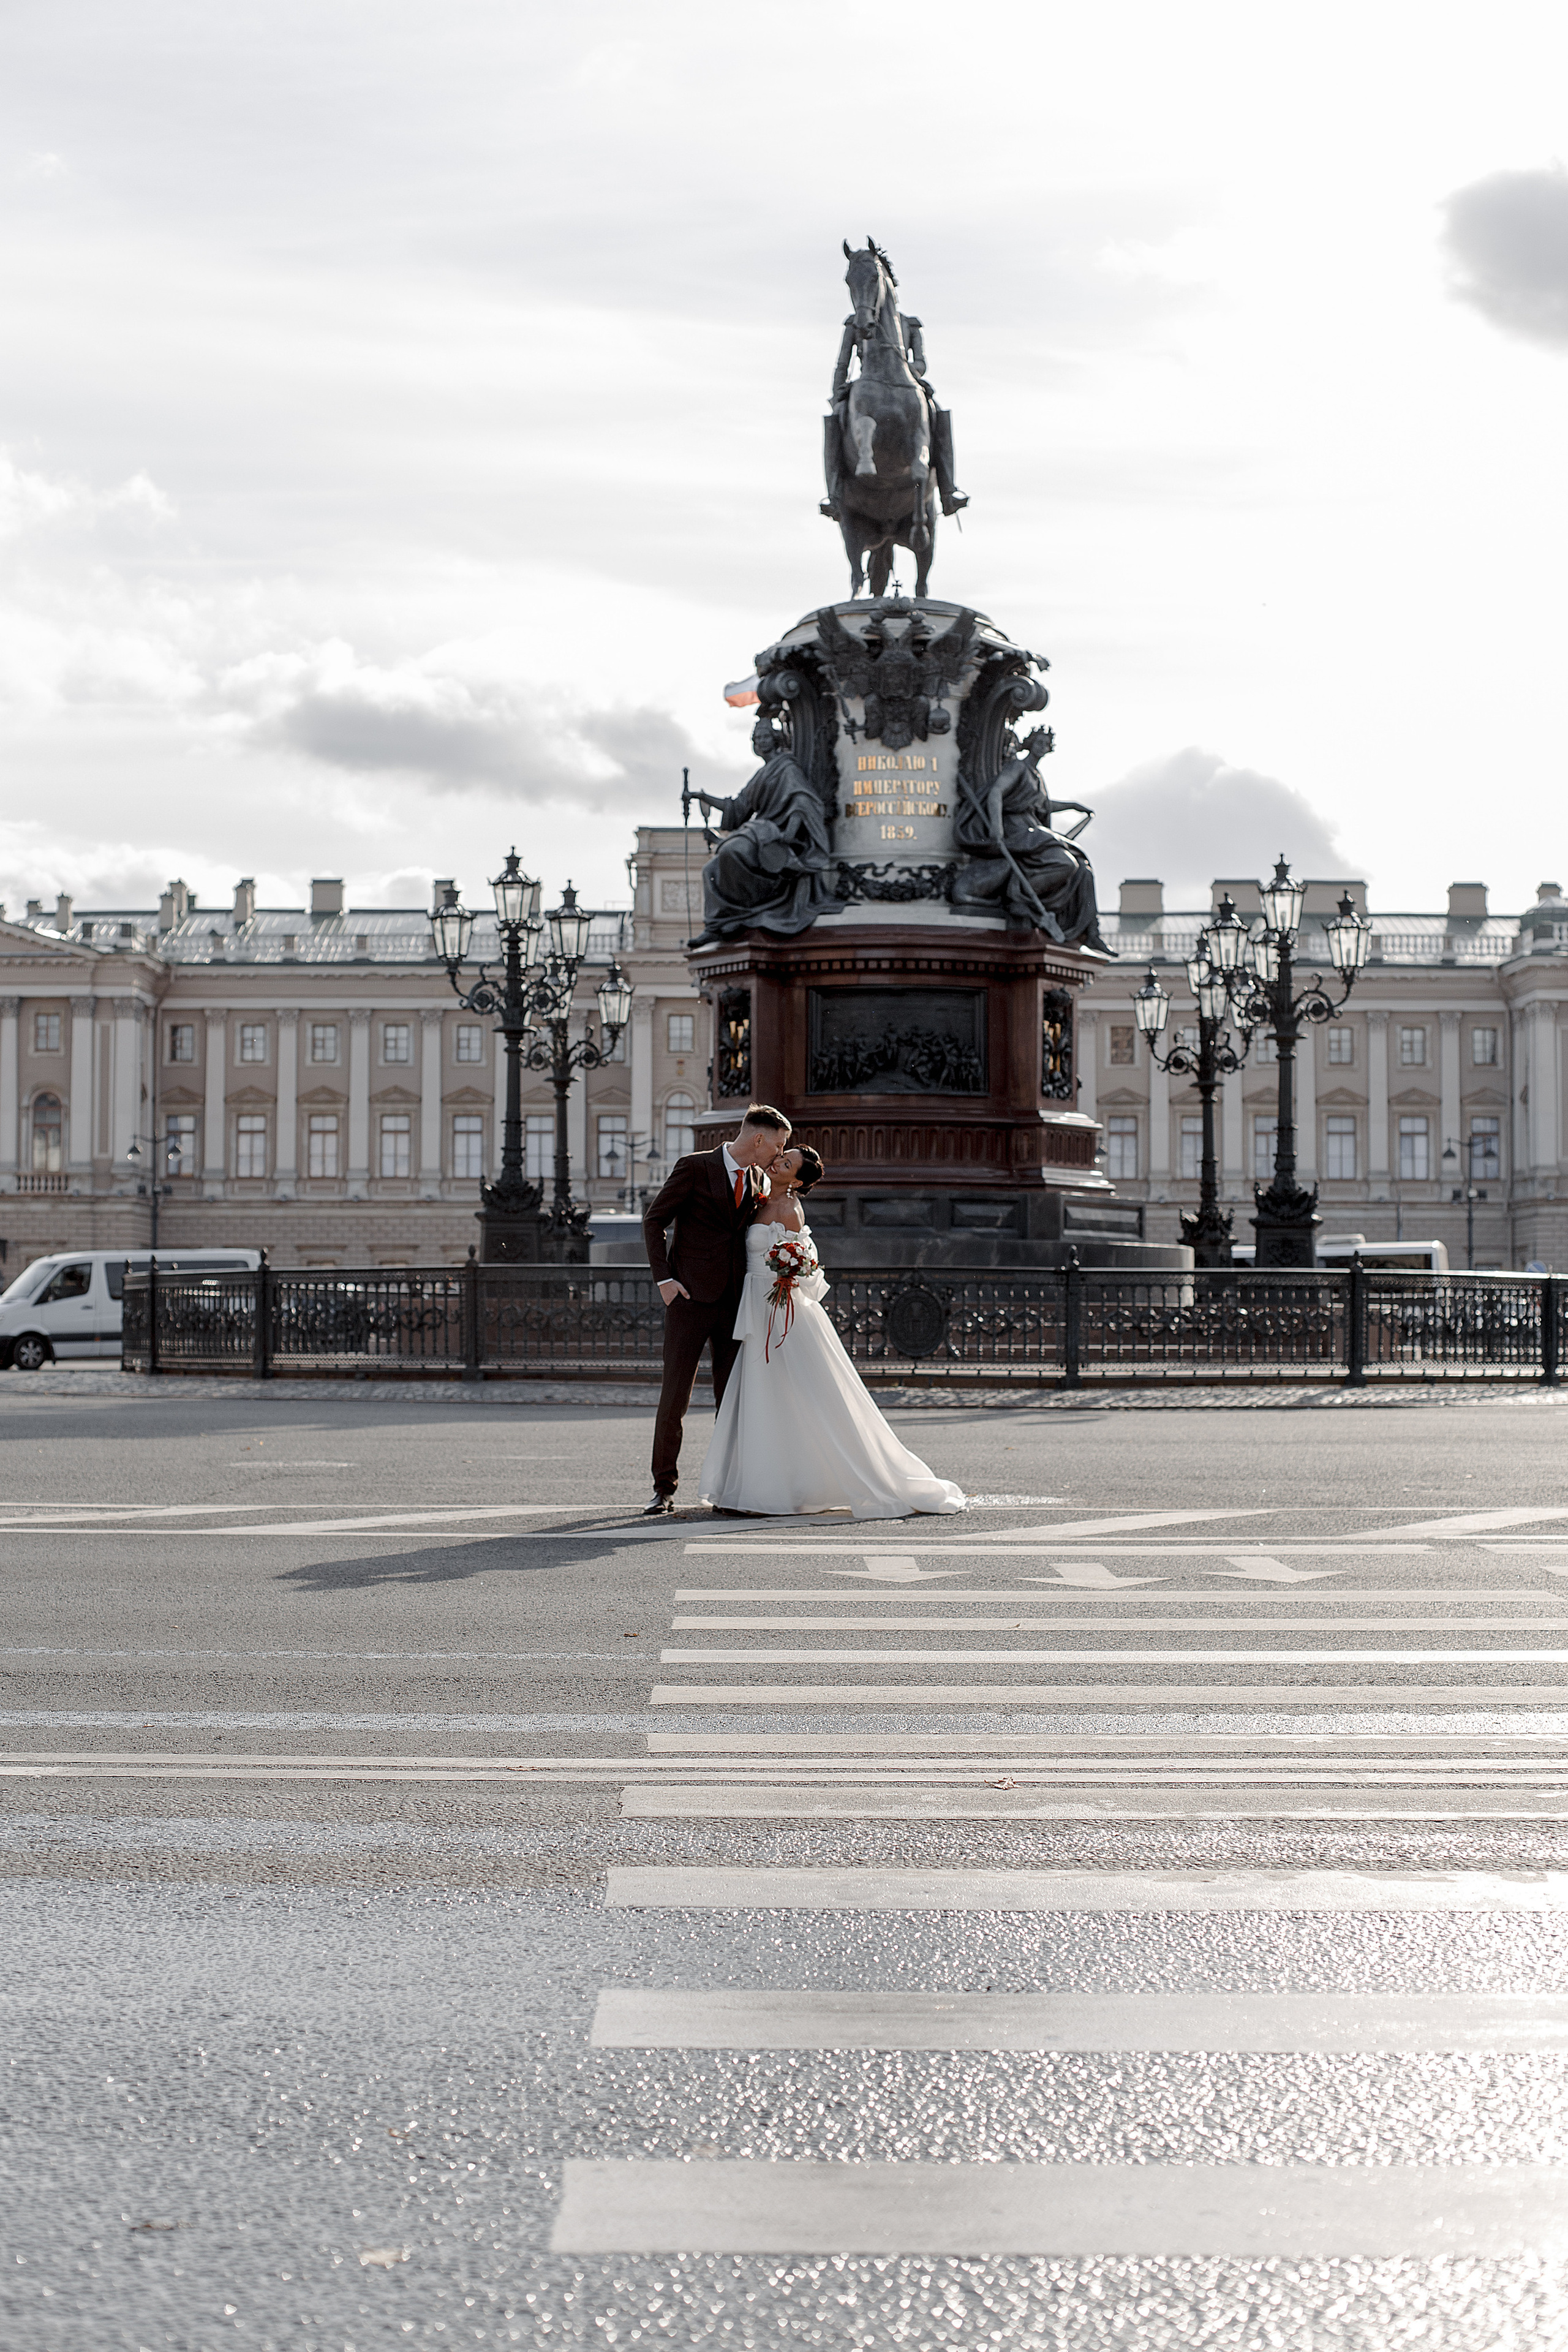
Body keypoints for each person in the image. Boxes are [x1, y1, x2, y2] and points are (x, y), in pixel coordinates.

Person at [699, 1144, 965, 1520]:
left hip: (779, 1311)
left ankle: (768, 1492)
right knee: (764, 1394)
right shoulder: (758, 1194)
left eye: (787, 1163)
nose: (778, 1161)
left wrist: (788, 1273)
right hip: (755, 1306)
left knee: (791, 1393)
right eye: (781, 1156)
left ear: (797, 1181)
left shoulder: (789, 1210)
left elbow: (801, 1262)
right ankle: (756, 1486)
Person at [640, 1104, 791, 1515]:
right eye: (778, 1146)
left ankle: (730, 1489)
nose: (779, 1156)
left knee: (733, 1400)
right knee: (675, 1397)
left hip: (734, 1304)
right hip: (688, 1300)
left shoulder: (759, 1178)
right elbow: (655, 1221)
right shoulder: (694, 1167)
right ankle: (663, 1489)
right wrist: (665, 1280)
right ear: (758, 1139)